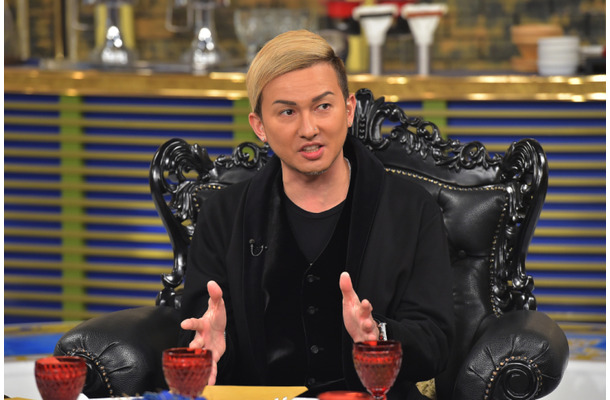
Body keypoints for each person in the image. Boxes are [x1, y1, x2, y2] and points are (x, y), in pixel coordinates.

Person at [179, 30, 453, 400]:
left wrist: (379, 336)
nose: (309, 129)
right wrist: (213, 351)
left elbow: (436, 344)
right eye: (287, 112)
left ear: (349, 109)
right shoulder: (223, 216)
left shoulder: (411, 209)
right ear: (259, 126)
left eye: (323, 106)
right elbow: (199, 338)